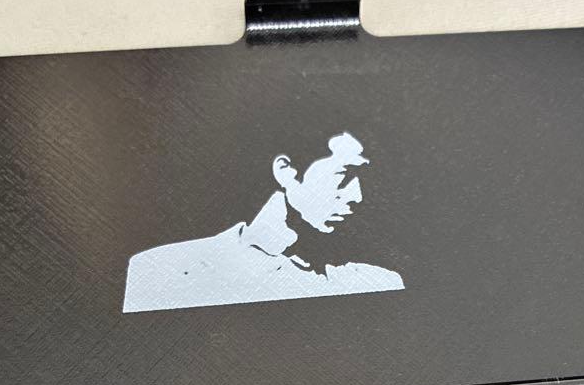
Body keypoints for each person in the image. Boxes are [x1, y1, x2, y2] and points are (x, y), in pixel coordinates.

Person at [123, 132, 404, 313]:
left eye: (363, 182)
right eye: (342, 175)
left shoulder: (377, 282)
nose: (357, 197)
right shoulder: (162, 269)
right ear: (286, 172)